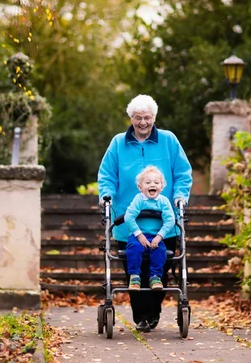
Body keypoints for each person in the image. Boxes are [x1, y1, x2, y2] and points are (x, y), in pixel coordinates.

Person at [98, 94, 192, 333]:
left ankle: (153, 312)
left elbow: (183, 173)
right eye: (138, 118)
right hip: (127, 223)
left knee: (160, 266)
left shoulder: (169, 141)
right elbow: (107, 175)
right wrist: (106, 195)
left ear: (154, 118)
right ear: (131, 118)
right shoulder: (118, 143)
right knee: (134, 268)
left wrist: (181, 196)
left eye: (147, 118)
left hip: (163, 222)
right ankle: (142, 316)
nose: (143, 123)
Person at [125, 166, 175, 291]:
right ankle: (135, 276)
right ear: (140, 187)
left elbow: (170, 220)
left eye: (156, 182)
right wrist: (139, 235)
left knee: (160, 250)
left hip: (155, 236)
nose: (152, 184)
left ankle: (155, 277)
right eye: (148, 182)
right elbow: (129, 217)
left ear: (161, 187)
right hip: (138, 236)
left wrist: (159, 236)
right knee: (134, 248)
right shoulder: (139, 199)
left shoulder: (163, 201)